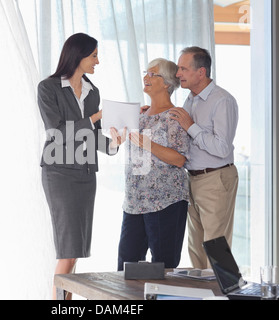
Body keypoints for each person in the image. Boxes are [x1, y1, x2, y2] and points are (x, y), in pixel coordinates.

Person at [37, 33, 126, 299]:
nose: (97, 61)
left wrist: (114, 144)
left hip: (86, 175)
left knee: (75, 251)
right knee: (68, 249)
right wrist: (96, 117)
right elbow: (57, 132)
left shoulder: (92, 91)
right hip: (60, 173)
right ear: (78, 55)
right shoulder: (48, 88)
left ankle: (66, 301)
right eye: (94, 55)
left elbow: (92, 135)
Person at [117, 58, 190, 271]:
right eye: (145, 73)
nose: (145, 78)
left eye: (152, 74)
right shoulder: (139, 116)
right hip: (134, 202)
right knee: (126, 267)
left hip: (165, 201)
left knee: (163, 267)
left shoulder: (175, 116)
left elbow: (180, 159)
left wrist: (149, 144)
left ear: (167, 83)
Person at [170, 46, 239, 269]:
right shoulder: (190, 100)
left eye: (183, 68)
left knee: (216, 247)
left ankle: (222, 294)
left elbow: (221, 147)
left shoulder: (222, 101)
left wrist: (191, 126)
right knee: (196, 248)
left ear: (201, 72)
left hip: (216, 179)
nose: (178, 73)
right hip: (193, 179)